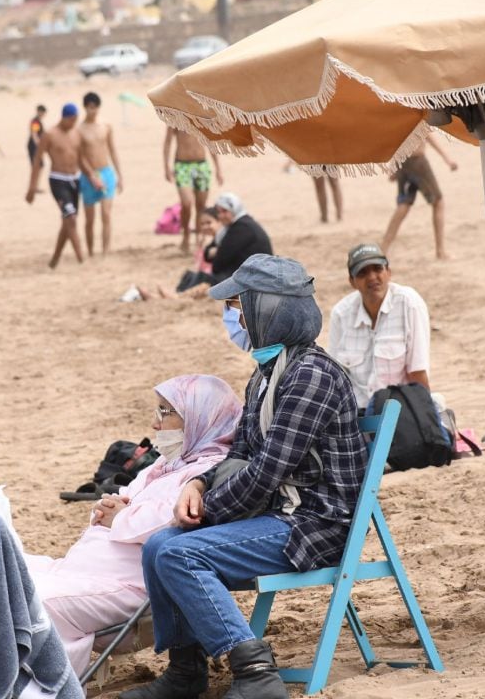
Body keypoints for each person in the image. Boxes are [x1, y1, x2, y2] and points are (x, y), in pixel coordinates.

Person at [120, 254, 368, 699]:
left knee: (179, 554)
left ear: (267, 311)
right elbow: (241, 453)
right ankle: (186, 672)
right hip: (281, 515)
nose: (234, 317)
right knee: (160, 544)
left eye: (239, 305)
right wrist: (196, 484)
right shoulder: (267, 374)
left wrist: (207, 511)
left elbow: (268, 471)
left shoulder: (310, 374)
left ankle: (256, 675)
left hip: (314, 524)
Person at [24, 375, 242, 676]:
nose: (155, 424)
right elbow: (119, 503)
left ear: (199, 419)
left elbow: (176, 520)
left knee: (26, 604)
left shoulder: (210, 474)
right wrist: (109, 511)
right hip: (78, 572)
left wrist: (121, 517)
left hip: (126, 589)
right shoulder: (165, 464)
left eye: (166, 412)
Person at [328, 243, 431, 409]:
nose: (372, 277)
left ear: (388, 272)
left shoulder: (409, 303)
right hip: (356, 415)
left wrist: (426, 416)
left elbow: (418, 373)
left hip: (399, 411)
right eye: (362, 272)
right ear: (352, 282)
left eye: (377, 269)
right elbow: (334, 377)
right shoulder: (340, 314)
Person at [26, 102, 86, 269]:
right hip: (58, 180)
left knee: (67, 221)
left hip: (75, 179)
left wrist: (92, 178)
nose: (74, 123)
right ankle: (81, 260)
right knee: (71, 219)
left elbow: (81, 160)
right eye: (73, 120)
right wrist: (31, 188)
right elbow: (38, 160)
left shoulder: (76, 134)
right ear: (66, 118)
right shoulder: (50, 134)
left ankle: (55, 259)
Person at [381, 135, 458, 259]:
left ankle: (383, 249)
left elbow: (396, 136)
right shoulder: (416, 114)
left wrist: (393, 165)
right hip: (418, 162)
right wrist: (447, 159)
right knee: (438, 202)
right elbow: (427, 134)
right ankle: (440, 251)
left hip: (403, 162)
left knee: (403, 205)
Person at [78, 92, 123, 257]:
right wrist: (91, 175)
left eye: (95, 108)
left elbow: (112, 150)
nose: (93, 111)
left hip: (106, 172)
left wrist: (120, 176)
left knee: (106, 214)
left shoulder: (106, 125)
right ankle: (90, 251)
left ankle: (106, 250)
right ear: (85, 108)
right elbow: (80, 156)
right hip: (88, 175)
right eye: (90, 108)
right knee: (90, 219)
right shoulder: (79, 129)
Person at [163, 128, 223, 253]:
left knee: (201, 206)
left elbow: (210, 141)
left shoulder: (201, 114)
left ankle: (199, 238)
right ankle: (186, 235)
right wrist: (166, 167)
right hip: (182, 165)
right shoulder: (174, 116)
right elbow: (168, 142)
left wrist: (218, 168)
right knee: (186, 203)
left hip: (202, 165)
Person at [201, 192, 272, 285]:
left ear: (234, 209)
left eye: (225, 211)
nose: (221, 215)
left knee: (201, 279)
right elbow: (207, 254)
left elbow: (218, 264)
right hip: (248, 274)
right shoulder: (230, 228)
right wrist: (218, 251)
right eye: (219, 212)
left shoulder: (242, 228)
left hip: (257, 278)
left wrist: (217, 251)